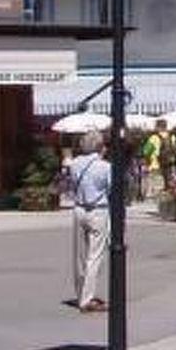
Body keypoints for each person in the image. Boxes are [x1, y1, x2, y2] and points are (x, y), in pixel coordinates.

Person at [64, 132, 113, 313]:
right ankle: (87, 298)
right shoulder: (105, 167)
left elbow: (71, 183)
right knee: (94, 256)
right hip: (98, 210)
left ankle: (81, 293)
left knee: (79, 255)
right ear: (100, 147)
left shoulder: (75, 164)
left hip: (79, 209)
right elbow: (111, 188)